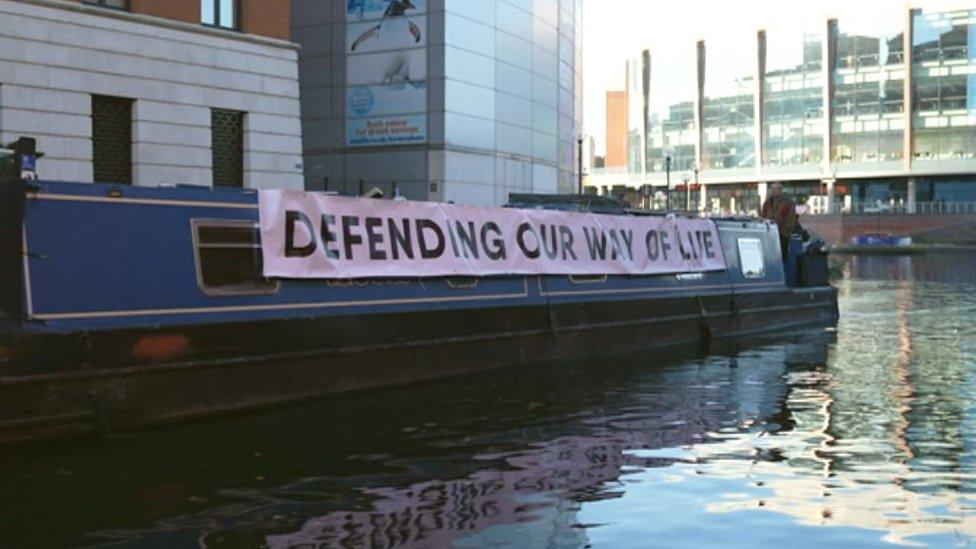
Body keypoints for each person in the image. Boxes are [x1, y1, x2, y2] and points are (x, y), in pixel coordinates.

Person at [761, 183, 798, 261]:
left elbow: (791, 218)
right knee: (769, 256)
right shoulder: (767, 202)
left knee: (782, 256)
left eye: (776, 189)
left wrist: (786, 231)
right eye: (773, 189)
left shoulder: (788, 202)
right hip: (769, 233)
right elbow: (763, 216)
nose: (774, 191)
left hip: (782, 234)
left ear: (781, 190)